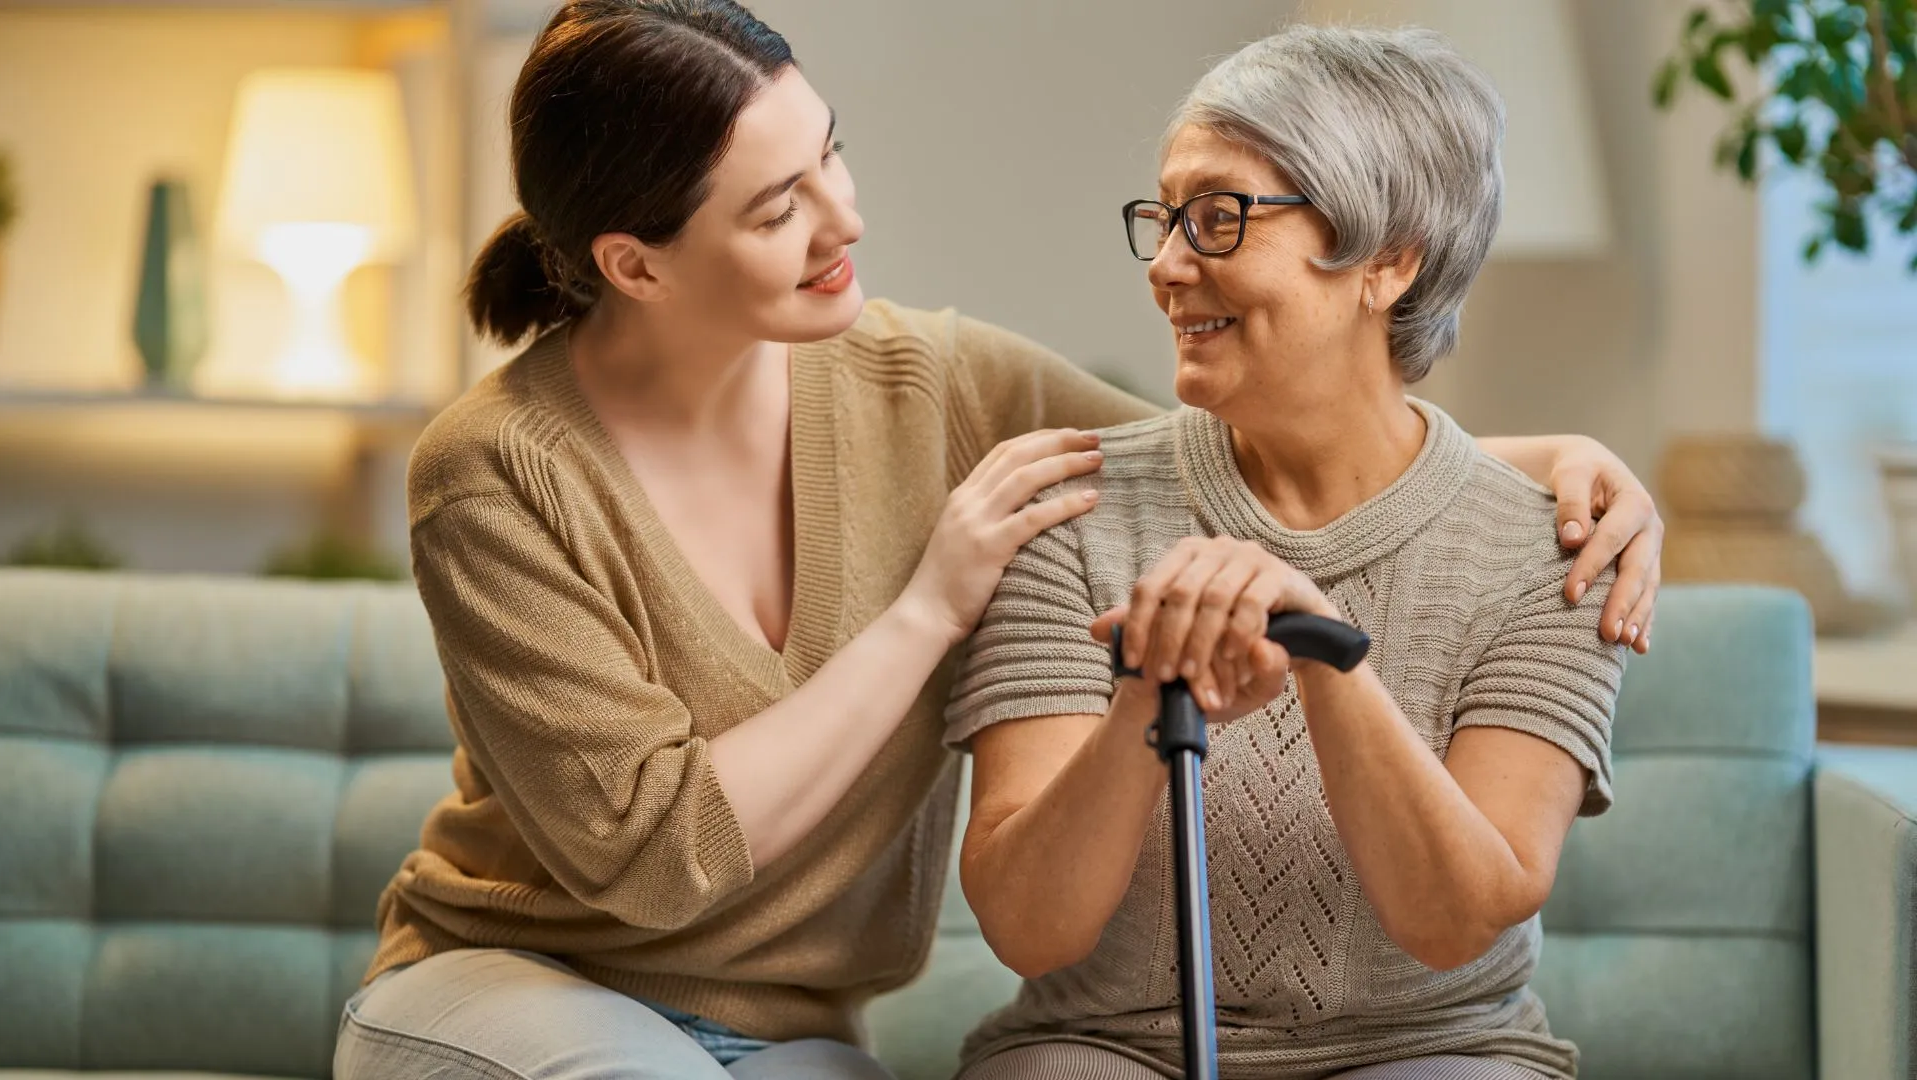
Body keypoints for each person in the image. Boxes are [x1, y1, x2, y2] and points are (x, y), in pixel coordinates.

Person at [332, 4, 1664, 1079]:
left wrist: (1553, 473)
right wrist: (929, 605)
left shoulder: (935, 382)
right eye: (775, 207)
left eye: (829, 155)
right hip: (533, 987)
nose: (845, 219)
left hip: (799, 1032)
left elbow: (1255, 456)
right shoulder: (494, 473)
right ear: (635, 264)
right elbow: (660, 863)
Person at [947, 23, 1635, 1080]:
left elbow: (1458, 922)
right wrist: (1146, 690)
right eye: (1167, 217)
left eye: (1221, 218)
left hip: (1434, 1049)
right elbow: (1031, 932)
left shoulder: (1553, 549)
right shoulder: (1070, 511)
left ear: (1389, 260)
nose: (1170, 266)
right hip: (1107, 1048)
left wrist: (1322, 650)